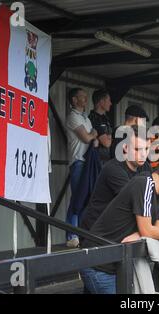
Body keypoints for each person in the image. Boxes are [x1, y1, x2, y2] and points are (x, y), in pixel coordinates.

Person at [80, 161, 159, 294]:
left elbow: (157, 230)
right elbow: (148, 231)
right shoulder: (144, 184)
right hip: (99, 266)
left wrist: (141, 233)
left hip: (118, 265)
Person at [65, 88, 98, 248]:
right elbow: (87, 137)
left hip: (87, 163)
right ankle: (72, 234)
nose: (85, 100)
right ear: (74, 100)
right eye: (82, 97)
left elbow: (93, 135)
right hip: (78, 161)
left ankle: (81, 233)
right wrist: (92, 134)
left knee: (86, 198)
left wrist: (92, 134)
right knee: (77, 198)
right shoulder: (72, 117)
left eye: (86, 97)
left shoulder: (85, 118)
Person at [89, 88, 113, 165]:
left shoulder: (105, 118)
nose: (110, 103)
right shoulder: (94, 118)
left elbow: (108, 140)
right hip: (98, 161)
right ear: (101, 102)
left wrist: (109, 137)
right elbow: (106, 143)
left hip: (106, 160)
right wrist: (111, 138)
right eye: (108, 100)